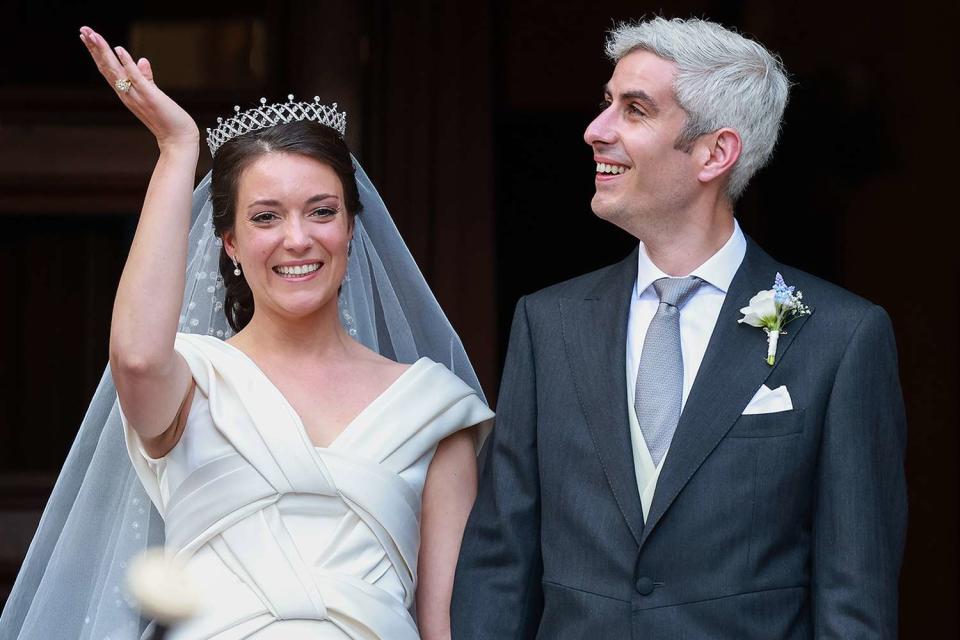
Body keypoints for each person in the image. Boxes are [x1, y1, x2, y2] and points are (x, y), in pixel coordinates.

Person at [0, 27, 492, 640]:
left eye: (322, 210)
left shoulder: (433, 407)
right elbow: (133, 357)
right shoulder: (191, 380)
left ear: (350, 228)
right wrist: (178, 149)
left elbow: (444, 622)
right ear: (229, 244)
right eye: (265, 217)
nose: (297, 238)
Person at [452, 16, 907, 639]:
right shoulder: (547, 323)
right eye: (605, 103)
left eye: (634, 110)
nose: (595, 130)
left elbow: (854, 597)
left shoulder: (842, 337)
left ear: (715, 153)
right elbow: (500, 565)